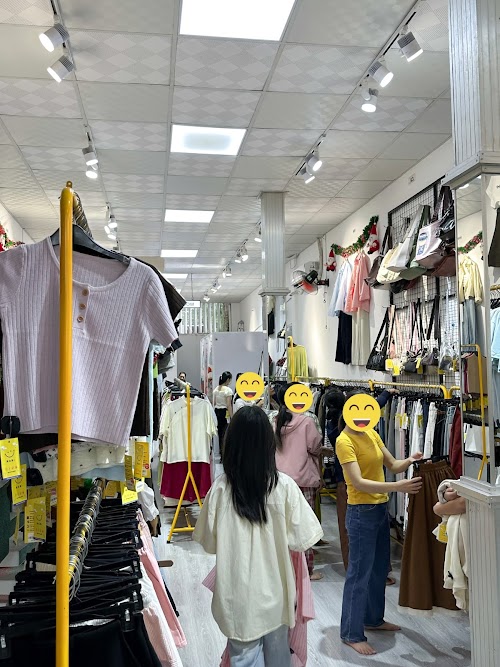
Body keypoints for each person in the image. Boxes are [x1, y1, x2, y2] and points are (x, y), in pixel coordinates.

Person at [193, 406, 322, 667]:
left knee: (243, 657)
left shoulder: (220, 490)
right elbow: (305, 538)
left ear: (231, 445)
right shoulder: (284, 487)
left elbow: (209, 543)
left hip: (236, 595)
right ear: (268, 444)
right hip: (276, 593)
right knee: (279, 655)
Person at [336, 390, 423, 656]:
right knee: (359, 574)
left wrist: (410, 460)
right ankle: (351, 633)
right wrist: (397, 487)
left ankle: (373, 619)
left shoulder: (372, 433)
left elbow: (393, 464)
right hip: (360, 512)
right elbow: (358, 482)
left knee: (378, 570)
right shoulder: (344, 441)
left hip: (379, 509)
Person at [325, 388, 396, 584]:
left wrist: (386, 394)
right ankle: (360, 573)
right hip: (353, 488)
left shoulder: (344, 426)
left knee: (350, 533)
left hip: (351, 487)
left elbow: (376, 406)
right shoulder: (345, 433)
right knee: (357, 535)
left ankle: (361, 571)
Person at [274, 384, 324, 580]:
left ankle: (283, 569)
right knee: (304, 526)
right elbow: (315, 447)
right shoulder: (307, 421)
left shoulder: (275, 420)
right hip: (303, 479)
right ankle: (305, 571)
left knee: (282, 525)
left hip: (280, 479)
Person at [213, 371, 233, 453]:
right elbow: (228, 405)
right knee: (225, 434)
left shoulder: (216, 389)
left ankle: (221, 452)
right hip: (225, 412)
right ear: (227, 380)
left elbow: (214, 403)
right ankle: (224, 453)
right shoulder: (228, 390)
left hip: (217, 412)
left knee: (220, 433)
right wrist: (232, 416)